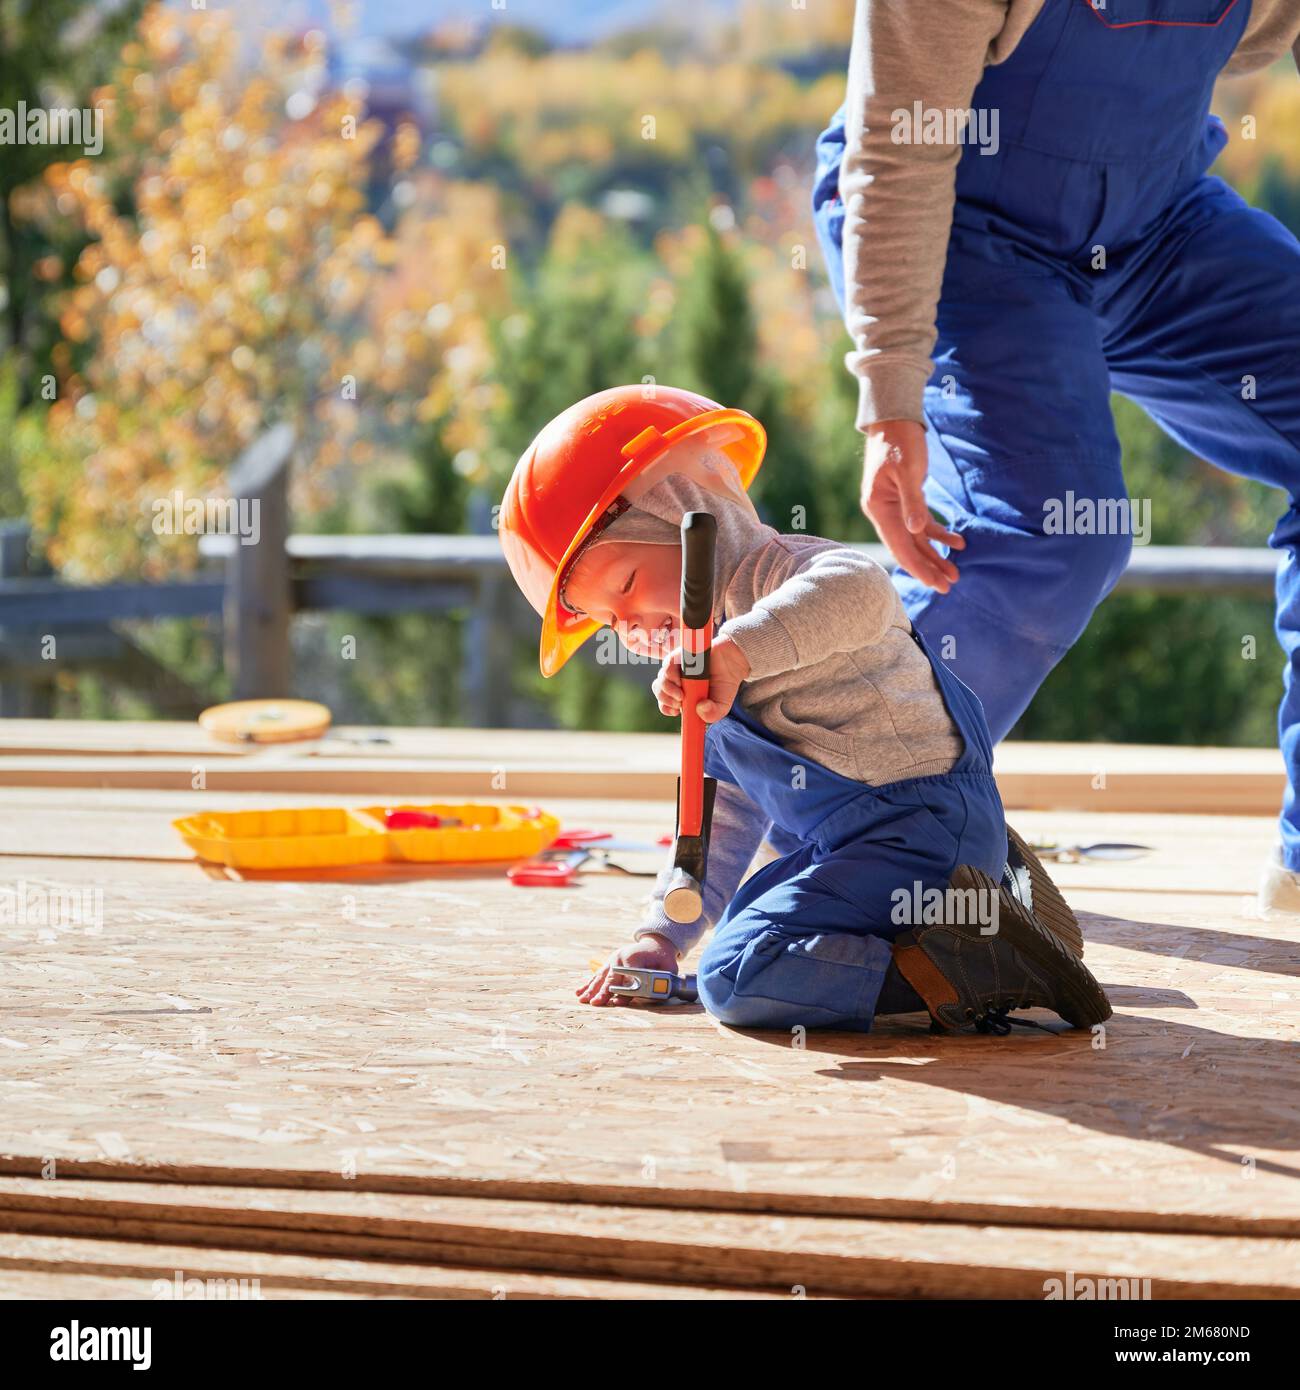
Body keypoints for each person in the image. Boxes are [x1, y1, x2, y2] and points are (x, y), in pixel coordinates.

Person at [811, 0, 1300, 910]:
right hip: (958, 227)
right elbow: (901, 148)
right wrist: (890, 398)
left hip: (1155, 225)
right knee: (1052, 538)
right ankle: (850, 842)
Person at [499, 384, 1110, 1035]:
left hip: (916, 825)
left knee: (733, 978)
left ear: (686, 511)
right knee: (741, 928)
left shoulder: (782, 575)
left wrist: (737, 652)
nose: (631, 625)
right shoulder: (706, 672)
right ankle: (973, 913)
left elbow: (864, 591)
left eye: (626, 585)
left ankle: (979, 962)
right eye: (609, 620)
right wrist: (663, 935)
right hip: (867, 845)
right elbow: (719, 824)